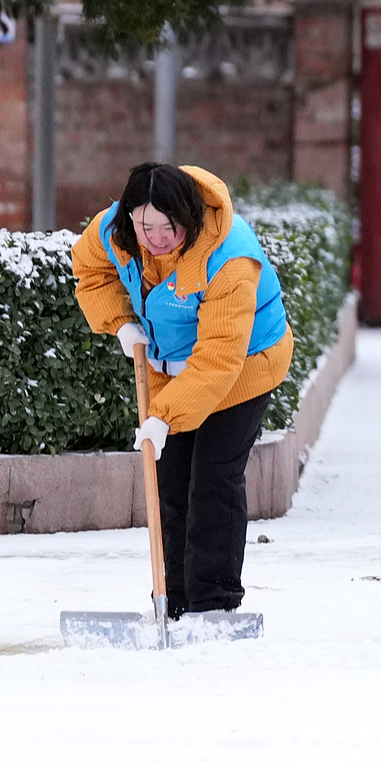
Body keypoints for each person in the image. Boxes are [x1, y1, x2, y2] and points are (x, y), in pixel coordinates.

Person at [71, 163, 293, 619]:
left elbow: (217, 360)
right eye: (143, 225)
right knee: (169, 481)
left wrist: (164, 416)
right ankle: (173, 602)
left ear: (189, 219)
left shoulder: (230, 257)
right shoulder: (115, 230)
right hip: (172, 367)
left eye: (167, 227)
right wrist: (121, 323)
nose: (154, 237)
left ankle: (214, 605)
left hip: (244, 366)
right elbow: (90, 270)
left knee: (213, 478)